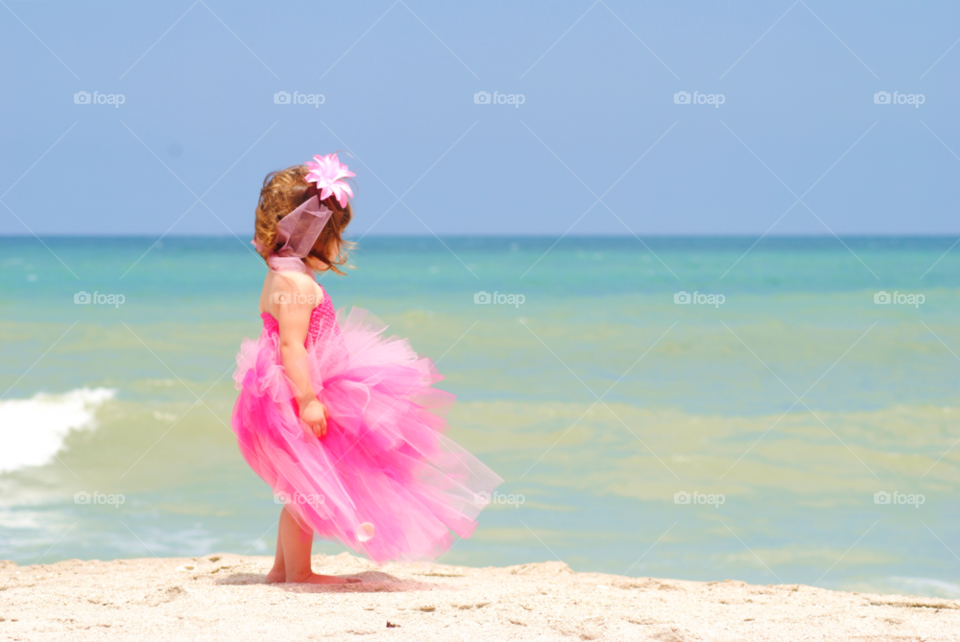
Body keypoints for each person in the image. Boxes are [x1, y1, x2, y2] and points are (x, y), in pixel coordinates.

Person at [231, 154, 502, 584]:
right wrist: (309, 401)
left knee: (303, 487)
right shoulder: (298, 285)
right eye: (335, 234)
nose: (338, 245)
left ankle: (283, 569)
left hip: (285, 390)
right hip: (301, 392)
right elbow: (291, 347)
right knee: (311, 489)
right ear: (313, 234)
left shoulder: (279, 275)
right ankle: (297, 572)